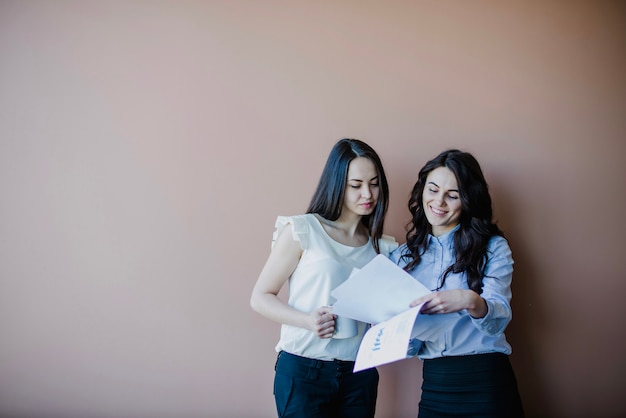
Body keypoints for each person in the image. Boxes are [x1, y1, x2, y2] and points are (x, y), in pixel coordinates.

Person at [250, 138, 397, 418]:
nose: (367, 193)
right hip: (304, 369)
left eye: (374, 183)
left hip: (359, 373)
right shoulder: (304, 230)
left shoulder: (385, 248)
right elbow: (260, 297)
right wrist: (307, 320)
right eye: (356, 185)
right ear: (337, 184)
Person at [389, 149, 524, 418]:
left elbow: (498, 319)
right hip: (436, 384)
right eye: (433, 189)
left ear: (468, 200)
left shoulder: (493, 247)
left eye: (452, 195)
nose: (439, 202)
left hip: (487, 379)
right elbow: (410, 345)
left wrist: (469, 300)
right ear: (421, 192)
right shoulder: (401, 258)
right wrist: (390, 330)